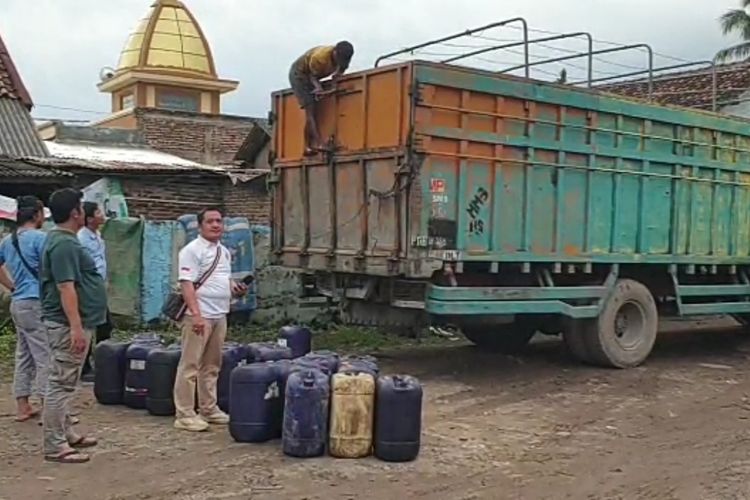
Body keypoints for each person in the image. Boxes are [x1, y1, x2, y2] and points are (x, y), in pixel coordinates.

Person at [40, 188, 107, 464]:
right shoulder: (64, 244)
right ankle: (55, 445)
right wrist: (75, 327)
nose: (84, 210)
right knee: (61, 384)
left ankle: (66, 433)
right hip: (66, 324)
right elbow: (65, 286)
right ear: (75, 213)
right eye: (81, 207)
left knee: (67, 381)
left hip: (73, 321)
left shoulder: (64, 240)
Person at [172, 207, 248, 432]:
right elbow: (186, 284)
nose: (216, 225)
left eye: (219, 221)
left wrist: (236, 289)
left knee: (212, 365)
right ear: (200, 225)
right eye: (210, 222)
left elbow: (222, 280)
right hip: (200, 315)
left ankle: (208, 408)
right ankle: (185, 413)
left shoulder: (223, 251)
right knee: (190, 365)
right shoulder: (192, 250)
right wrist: (196, 315)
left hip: (219, 314)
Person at [0, 196, 49, 423]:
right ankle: (50, 409)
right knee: (45, 355)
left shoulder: (7, 240)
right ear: (37, 214)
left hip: (18, 302)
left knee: (24, 355)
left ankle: (23, 406)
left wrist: (10, 285)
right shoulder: (41, 239)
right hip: (36, 302)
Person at [289, 41, 354, 155]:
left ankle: (307, 147)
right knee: (310, 109)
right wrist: (318, 88)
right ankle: (319, 143)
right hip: (300, 74)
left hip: (314, 75)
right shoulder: (320, 58)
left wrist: (335, 85)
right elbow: (311, 76)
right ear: (334, 52)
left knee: (313, 111)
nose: (340, 62)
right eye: (339, 59)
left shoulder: (344, 58)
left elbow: (338, 74)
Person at [78, 201, 112, 382]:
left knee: (105, 326)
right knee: (91, 326)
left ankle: (102, 362)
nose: (102, 213)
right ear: (90, 218)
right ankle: (84, 368)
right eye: (98, 211)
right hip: (88, 287)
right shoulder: (82, 239)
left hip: (98, 286)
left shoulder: (96, 235)